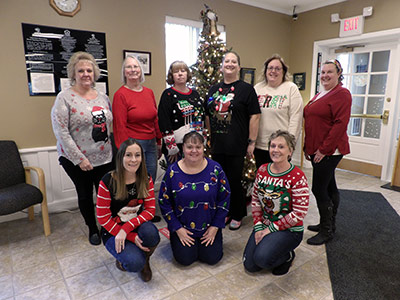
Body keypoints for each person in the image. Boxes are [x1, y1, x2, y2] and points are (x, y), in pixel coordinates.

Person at [51, 51, 113, 246]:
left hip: (105, 156)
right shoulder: (64, 98)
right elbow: (61, 131)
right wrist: (80, 159)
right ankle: (92, 229)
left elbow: (108, 125)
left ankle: (107, 226)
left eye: (89, 70)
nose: (86, 74)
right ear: (73, 74)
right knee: (85, 195)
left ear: (94, 73)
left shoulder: (103, 97)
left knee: (105, 195)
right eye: (81, 71)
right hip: (76, 159)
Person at [205, 51, 261, 230]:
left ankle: (237, 213)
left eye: (233, 61)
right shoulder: (214, 89)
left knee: (235, 181)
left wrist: (251, 142)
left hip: (237, 144)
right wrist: (208, 136)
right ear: (221, 66)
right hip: (217, 144)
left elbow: (255, 116)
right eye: (226, 61)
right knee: (220, 181)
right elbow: (208, 114)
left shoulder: (246, 89)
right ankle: (225, 212)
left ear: (238, 66)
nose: (230, 64)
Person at [243, 130, 309, 275]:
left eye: (281, 147)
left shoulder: (297, 176)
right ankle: (270, 248)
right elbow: (255, 200)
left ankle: (287, 256)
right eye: (272, 146)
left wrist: (270, 230)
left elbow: (299, 213)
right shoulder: (262, 170)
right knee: (250, 265)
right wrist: (259, 226)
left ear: (290, 151)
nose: (275, 150)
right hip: (265, 225)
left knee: (262, 259)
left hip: (289, 230)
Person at [159, 132, 230, 266]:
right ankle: (177, 239)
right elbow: (164, 202)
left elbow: (225, 197)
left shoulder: (215, 169)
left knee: (212, 258)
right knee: (185, 260)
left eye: (198, 147)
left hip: (209, 226)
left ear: (203, 148)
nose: (194, 151)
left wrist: (215, 226)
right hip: (183, 227)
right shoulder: (173, 171)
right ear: (183, 148)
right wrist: (177, 228)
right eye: (189, 147)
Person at [96, 138, 160, 282]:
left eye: (137, 155)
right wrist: (127, 235)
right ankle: (130, 259)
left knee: (151, 234)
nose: (133, 160)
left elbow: (150, 211)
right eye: (128, 155)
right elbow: (103, 218)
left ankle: (145, 260)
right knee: (133, 263)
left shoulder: (146, 178)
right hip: (112, 231)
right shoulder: (107, 182)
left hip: (134, 225)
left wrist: (127, 229)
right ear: (121, 157)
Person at [303, 59, 351, 245]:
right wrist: (309, 147)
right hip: (317, 149)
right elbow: (313, 122)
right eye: (322, 72)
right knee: (330, 187)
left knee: (319, 188)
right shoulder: (321, 94)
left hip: (330, 150)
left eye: (329, 72)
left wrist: (324, 149)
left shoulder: (342, 94)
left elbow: (340, 124)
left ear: (339, 74)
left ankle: (326, 231)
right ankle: (329, 223)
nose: (325, 75)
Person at [113, 55, 162, 222]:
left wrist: (159, 140)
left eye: (136, 66)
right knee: (135, 180)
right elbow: (119, 125)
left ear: (141, 71)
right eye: (129, 67)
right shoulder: (121, 95)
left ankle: (146, 211)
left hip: (151, 143)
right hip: (134, 144)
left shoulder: (149, 92)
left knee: (150, 179)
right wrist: (125, 151)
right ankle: (134, 214)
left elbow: (155, 118)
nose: (133, 70)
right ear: (124, 72)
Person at [254, 54, 303, 169]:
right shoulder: (257, 88)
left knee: (279, 181)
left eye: (277, 68)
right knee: (263, 179)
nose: (273, 71)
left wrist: (290, 145)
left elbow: (295, 119)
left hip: (280, 147)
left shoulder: (291, 88)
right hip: (260, 145)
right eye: (270, 68)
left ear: (283, 71)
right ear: (265, 71)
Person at [158, 61, 205, 166]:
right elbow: (163, 120)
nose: (180, 74)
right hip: (176, 148)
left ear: (187, 74)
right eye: (176, 71)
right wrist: (172, 147)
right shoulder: (168, 94)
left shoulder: (195, 94)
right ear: (171, 76)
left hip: (194, 146)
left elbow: (199, 117)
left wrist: (201, 141)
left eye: (183, 71)